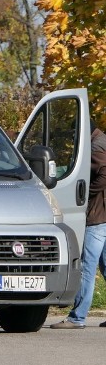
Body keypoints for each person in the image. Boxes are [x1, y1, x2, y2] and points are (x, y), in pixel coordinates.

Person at [51, 120, 106, 329]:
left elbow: (104, 174)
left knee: (86, 267)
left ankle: (77, 317)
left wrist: (84, 195)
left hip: (98, 216)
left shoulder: (96, 146)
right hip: (103, 215)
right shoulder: (103, 141)